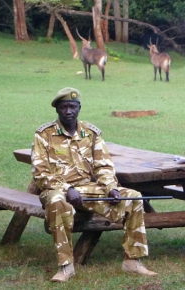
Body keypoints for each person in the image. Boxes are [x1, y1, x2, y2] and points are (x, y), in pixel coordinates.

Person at [31, 87, 158, 282]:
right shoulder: (44, 134)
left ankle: (132, 261)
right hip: (56, 189)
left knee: (133, 198)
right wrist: (68, 189)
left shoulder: (91, 133)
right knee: (57, 202)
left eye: (72, 107)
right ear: (57, 109)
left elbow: (104, 166)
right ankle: (66, 266)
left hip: (88, 188)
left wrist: (111, 188)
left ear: (79, 108)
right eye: (63, 107)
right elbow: (40, 173)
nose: (68, 111)